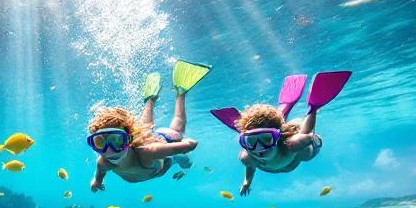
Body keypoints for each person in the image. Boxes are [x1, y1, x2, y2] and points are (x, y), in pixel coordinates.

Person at [210, 71, 351, 195]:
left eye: (266, 139)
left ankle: (309, 107)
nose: (259, 148)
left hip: (297, 151)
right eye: (251, 141)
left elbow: (307, 133)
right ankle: (282, 112)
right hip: (284, 156)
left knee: (307, 151)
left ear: (276, 138)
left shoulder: (293, 144)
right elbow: (250, 166)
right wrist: (247, 182)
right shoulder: (247, 157)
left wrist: (314, 109)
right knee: (267, 128)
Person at [88, 59, 211, 190]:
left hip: (164, 140)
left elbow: (191, 145)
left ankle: (180, 92)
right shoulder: (103, 163)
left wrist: (187, 143)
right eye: (100, 143)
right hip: (150, 149)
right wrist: (97, 182)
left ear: (128, 139)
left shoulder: (148, 152)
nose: (109, 150)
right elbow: (99, 174)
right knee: (143, 130)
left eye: (117, 141)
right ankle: (151, 98)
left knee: (177, 132)